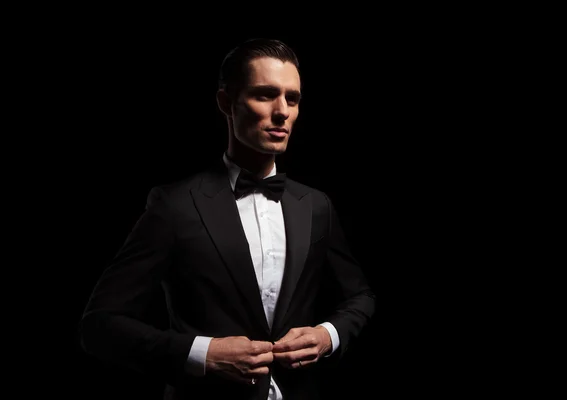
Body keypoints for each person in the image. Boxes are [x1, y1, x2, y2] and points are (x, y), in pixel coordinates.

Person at [79, 37, 376, 400]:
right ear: (226, 103)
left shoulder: (315, 205)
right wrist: (204, 354)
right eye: (265, 95)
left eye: (293, 98)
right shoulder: (174, 206)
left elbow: (359, 296)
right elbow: (100, 324)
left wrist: (328, 335)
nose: (282, 111)